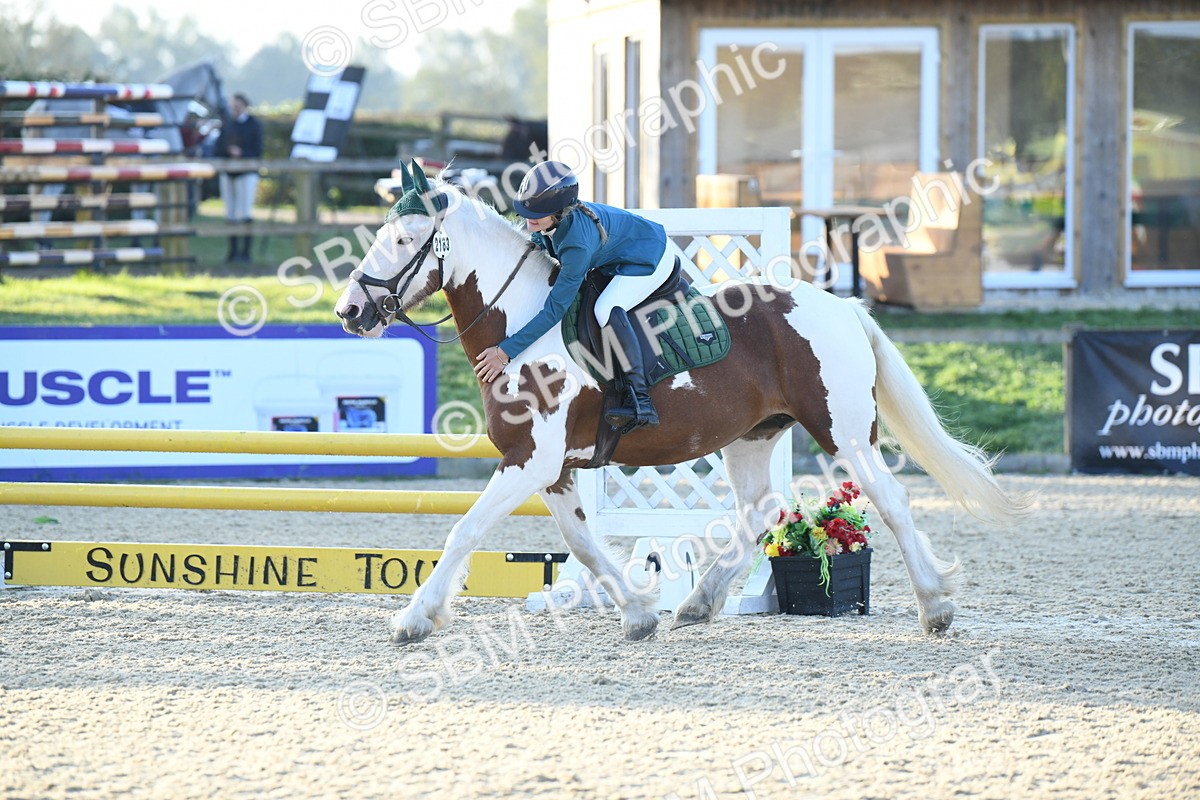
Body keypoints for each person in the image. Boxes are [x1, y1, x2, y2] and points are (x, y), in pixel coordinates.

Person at [473, 160, 674, 430]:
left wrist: (506, 352)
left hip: (650, 258)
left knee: (605, 309)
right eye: (526, 209)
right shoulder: (554, 220)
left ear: (559, 211)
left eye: (537, 213)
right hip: (619, 253)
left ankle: (639, 398)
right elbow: (538, 243)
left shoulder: (576, 244)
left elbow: (555, 310)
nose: (528, 218)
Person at [214, 93, 263, 262]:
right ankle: (232, 252)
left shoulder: (253, 124)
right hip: (229, 172)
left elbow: (257, 149)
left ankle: (246, 253)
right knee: (231, 211)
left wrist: (242, 153)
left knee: (245, 210)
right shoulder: (227, 124)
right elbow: (218, 147)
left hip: (247, 173)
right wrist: (228, 151)